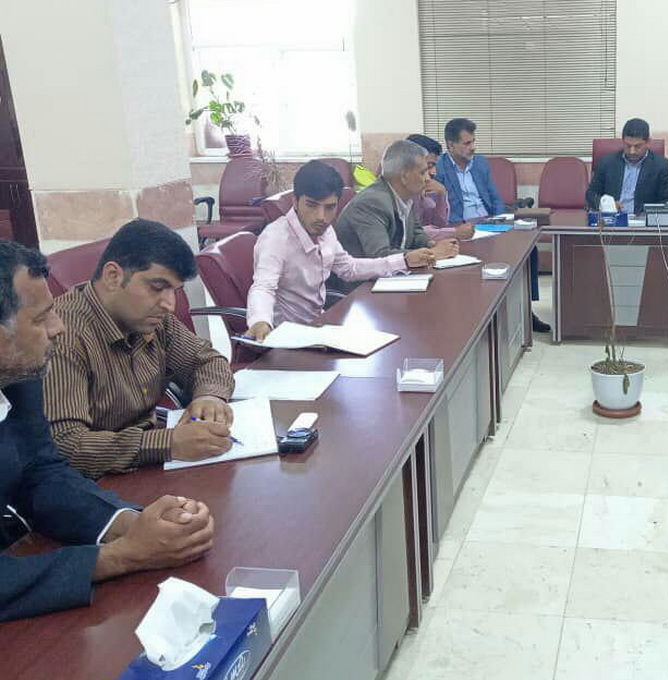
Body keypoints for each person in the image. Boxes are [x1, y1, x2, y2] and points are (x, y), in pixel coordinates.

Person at [0, 240, 215, 622]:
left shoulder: (18, 372)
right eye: (41, 318)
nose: (58, 327)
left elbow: (42, 472)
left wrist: (130, 524)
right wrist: (122, 556)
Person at [43, 220, 235, 479]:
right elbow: (67, 445)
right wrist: (167, 443)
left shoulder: (152, 318)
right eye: (157, 287)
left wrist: (209, 397)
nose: (169, 304)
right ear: (113, 276)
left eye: (175, 291)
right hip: (99, 480)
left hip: (148, 464)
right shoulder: (64, 336)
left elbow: (206, 360)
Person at [246, 160, 413, 340]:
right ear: (295, 201)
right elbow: (263, 286)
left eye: (330, 207)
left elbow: (349, 268)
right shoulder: (275, 238)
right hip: (285, 338)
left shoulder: (325, 231)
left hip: (318, 327)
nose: (321, 217)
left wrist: (403, 261)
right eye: (311, 205)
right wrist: (260, 321)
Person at [435, 118, 550, 332]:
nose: (473, 147)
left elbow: (494, 196)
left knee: (529, 251)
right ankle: (481, 315)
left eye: (473, 141)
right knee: (480, 261)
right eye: (467, 143)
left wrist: (500, 219)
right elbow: (441, 209)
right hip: (462, 227)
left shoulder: (479, 163)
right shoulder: (439, 168)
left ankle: (527, 310)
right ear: (450, 145)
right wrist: (460, 228)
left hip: (488, 222)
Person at [333, 140, 458, 294]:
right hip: (359, 291)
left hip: (392, 282)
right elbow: (380, 256)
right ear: (404, 177)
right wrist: (433, 254)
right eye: (422, 172)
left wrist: (432, 245)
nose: (428, 178)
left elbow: (416, 234)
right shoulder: (373, 202)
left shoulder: (405, 196)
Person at [585, 118, 668, 214]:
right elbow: (591, 195)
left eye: (637, 146)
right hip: (612, 219)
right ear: (622, 141)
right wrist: (607, 205)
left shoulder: (662, 166)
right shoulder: (606, 163)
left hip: (644, 220)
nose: (632, 151)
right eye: (628, 146)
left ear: (648, 142)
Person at [405, 133, 475, 242]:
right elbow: (411, 233)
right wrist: (455, 232)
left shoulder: (421, 187)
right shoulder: (398, 191)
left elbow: (438, 225)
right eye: (429, 166)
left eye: (434, 166)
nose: (434, 172)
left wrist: (442, 195)